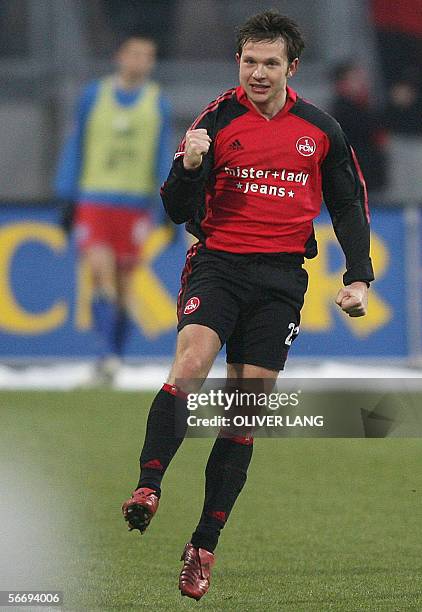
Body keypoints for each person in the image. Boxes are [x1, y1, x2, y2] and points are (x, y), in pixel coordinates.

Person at [122, 11, 374, 601]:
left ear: (292, 68)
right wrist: (188, 166)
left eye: (270, 63)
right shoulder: (216, 119)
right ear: (238, 62)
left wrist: (358, 277)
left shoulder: (321, 129)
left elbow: (349, 204)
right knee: (190, 365)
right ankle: (148, 486)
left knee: (243, 413)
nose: (257, 72)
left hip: (282, 279)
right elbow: (176, 208)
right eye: (248, 61)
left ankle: (203, 545)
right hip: (219, 264)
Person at [55, 34, 172, 383]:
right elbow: (77, 142)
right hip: (95, 199)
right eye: (135, 53)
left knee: (123, 285)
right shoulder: (95, 95)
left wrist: (167, 202)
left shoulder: (157, 102)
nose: (141, 61)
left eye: (148, 55)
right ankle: (105, 354)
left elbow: (160, 154)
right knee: (100, 272)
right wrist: (67, 194)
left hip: (135, 205)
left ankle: (114, 358)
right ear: (121, 56)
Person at [329, 61, 388, 194]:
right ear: (342, 83)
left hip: (368, 170)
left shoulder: (363, 104)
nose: (360, 82)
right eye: (354, 79)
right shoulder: (342, 109)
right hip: (358, 170)